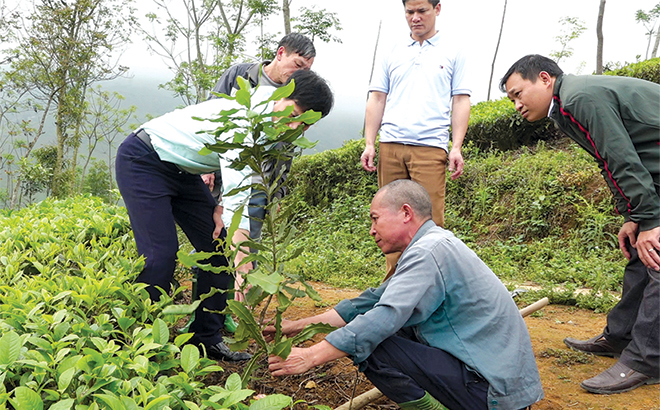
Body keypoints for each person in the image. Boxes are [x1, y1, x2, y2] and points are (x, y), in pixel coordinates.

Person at [267, 179, 544, 410]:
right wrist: (300, 326)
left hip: (492, 393)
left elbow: (385, 315)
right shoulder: (433, 245)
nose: (372, 230)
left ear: (406, 213)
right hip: (498, 382)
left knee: (376, 342)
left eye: (375, 219)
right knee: (373, 328)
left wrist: (311, 356)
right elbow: (368, 302)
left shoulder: (427, 252)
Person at [115, 70, 334, 362]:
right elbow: (239, 203)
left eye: (304, 124)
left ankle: (206, 339)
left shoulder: (279, 128)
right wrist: (245, 271)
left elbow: (248, 181)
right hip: (145, 159)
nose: (294, 126)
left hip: (185, 172)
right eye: (293, 113)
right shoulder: (245, 120)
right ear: (281, 95)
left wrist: (218, 206)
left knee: (216, 248)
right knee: (160, 255)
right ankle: (135, 344)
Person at [500, 54, 660, 395]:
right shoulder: (567, 105)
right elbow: (610, 159)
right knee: (639, 252)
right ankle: (621, 337)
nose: (516, 105)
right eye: (511, 100)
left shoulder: (579, 97)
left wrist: (651, 221)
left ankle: (646, 361)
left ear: (544, 78)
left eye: (518, 94)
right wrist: (633, 217)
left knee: (658, 256)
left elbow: (621, 157)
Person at [359, 0, 471, 279]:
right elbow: (377, 97)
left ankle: (430, 285)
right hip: (391, 145)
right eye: (410, 12)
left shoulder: (454, 50)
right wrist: (370, 142)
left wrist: (456, 146)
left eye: (422, 11)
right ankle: (393, 287)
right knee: (389, 220)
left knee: (430, 221)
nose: (416, 18)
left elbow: (460, 100)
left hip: (431, 147)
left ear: (438, 9)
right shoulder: (392, 50)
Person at [205, 33, 317, 273]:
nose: (299, 73)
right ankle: (209, 308)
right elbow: (210, 117)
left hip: (258, 181)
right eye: (298, 65)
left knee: (246, 250)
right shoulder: (240, 76)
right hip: (224, 171)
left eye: (306, 70)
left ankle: (239, 303)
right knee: (210, 243)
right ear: (280, 53)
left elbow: (287, 148)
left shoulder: (296, 95)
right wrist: (208, 169)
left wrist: (277, 191)